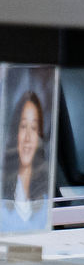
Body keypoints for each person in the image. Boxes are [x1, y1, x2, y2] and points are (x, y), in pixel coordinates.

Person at [1, 85, 50, 232]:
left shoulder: (45, 196)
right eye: (23, 126)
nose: (28, 138)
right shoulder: (3, 190)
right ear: (15, 132)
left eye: (34, 128)